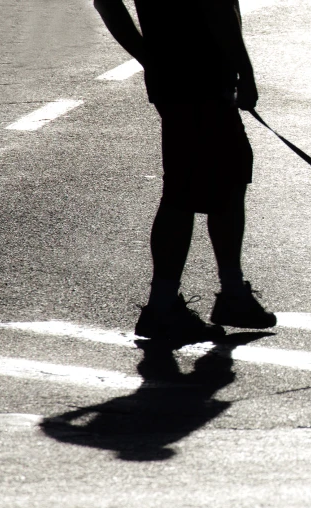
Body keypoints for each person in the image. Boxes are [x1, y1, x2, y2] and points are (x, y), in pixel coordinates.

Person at [93, 0, 276, 342]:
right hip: (201, 78)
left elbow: (106, 3)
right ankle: (165, 308)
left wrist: (150, 57)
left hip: (177, 79)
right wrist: (244, 72)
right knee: (188, 191)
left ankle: (226, 294)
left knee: (221, 180)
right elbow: (216, 9)